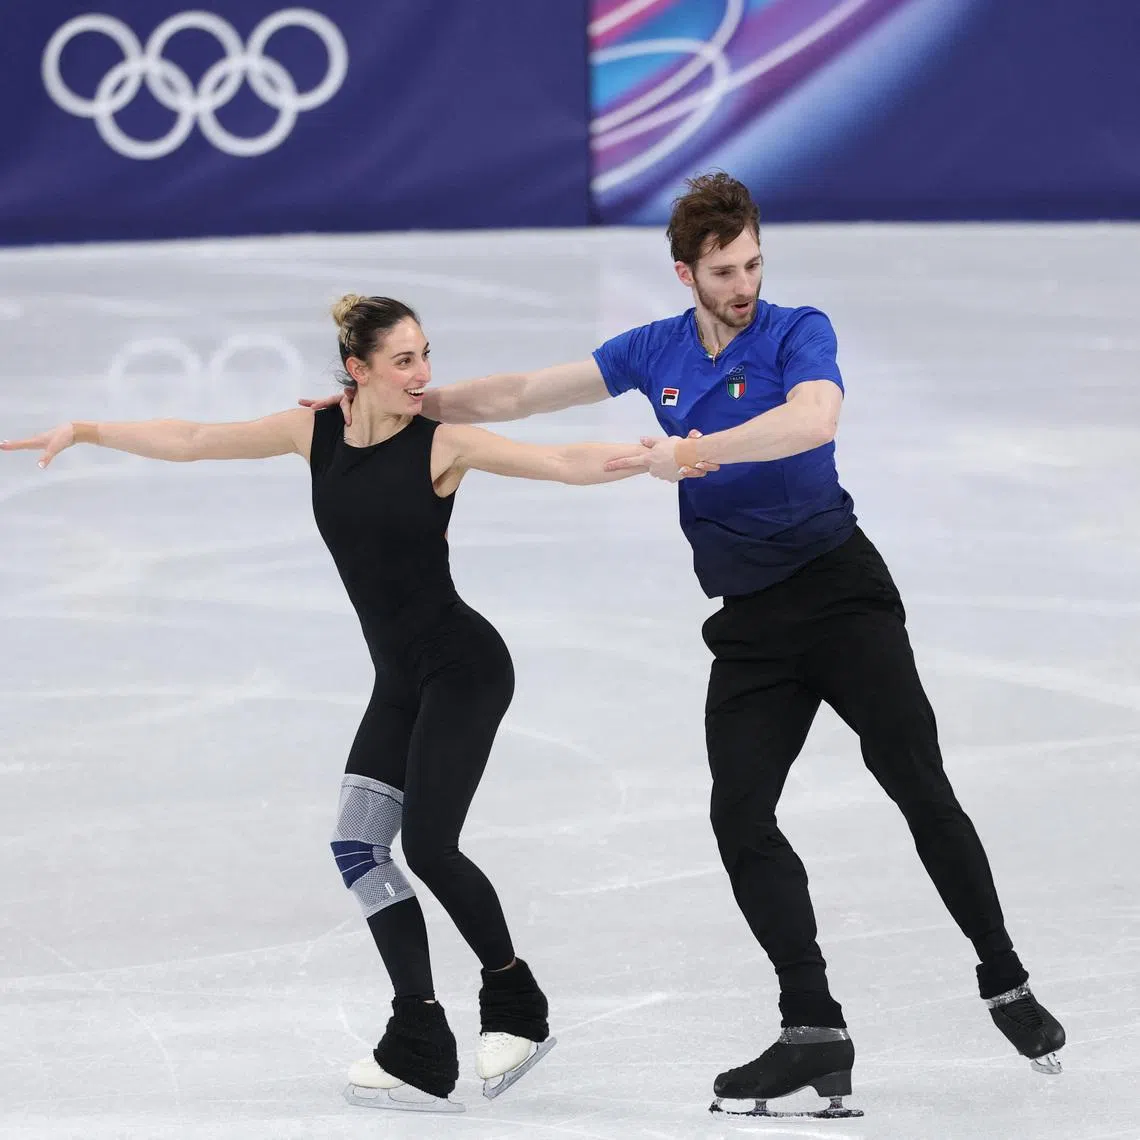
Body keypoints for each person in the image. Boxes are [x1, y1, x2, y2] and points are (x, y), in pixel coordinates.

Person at [304, 175, 1066, 1118]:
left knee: (917, 783)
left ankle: (1004, 977)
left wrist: (695, 449)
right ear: (685, 273)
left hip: (841, 597)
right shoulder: (656, 348)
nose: (743, 282)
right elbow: (527, 392)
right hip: (748, 626)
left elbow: (814, 418)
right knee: (739, 819)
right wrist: (399, 404)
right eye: (723, 269)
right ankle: (812, 1025)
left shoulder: (796, 331)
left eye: (751, 263)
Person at [0, 294, 717, 1113]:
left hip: (463, 667)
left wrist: (661, 458)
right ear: (358, 370)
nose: (423, 374)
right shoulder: (314, 433)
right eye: (404, 360)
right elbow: (196, 441)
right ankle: (417, 1034)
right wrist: (89, 430)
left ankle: (517, 1006)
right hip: (401, 677)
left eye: (425, 356)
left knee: (432, 845)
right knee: (359, 847)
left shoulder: (441, 444)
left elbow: (557, 461)